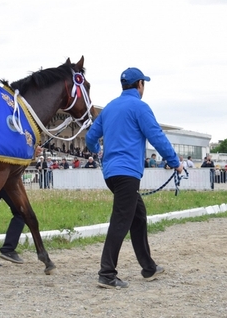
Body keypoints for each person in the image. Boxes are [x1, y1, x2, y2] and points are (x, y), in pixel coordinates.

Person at [85, 67, 182, 289]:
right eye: (143, 84)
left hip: (111, 173)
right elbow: (156, 135)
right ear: (140, 85)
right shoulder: (140, 107)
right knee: (121, 220)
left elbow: (90, 137)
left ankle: (148, 267)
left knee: (138, 214)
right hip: (128, 173)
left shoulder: (109, 108)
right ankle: (107, 273)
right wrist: (174, 162)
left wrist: (98, 150)